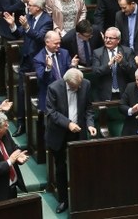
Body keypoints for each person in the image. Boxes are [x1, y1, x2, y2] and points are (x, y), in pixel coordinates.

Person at [44, 69, 94, 213]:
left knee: (80, 166)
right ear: (67, 82)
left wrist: (90, 124)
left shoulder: (86, 84)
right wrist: (68, 124)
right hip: (59, 132)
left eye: (79, 85)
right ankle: (63, 200)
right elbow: (51, 112)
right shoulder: (54, 88)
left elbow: (89, 107)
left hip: (78, 130)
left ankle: (80, 198)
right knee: (60, 168)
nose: (78, 88)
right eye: (74, 87)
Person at [5, 0, 52, 136]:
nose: (28, 6)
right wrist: (13, 25)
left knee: (37, 93)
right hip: (26, 60)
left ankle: (38, 126)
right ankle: (21, 124)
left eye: (30, 5)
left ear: (38, 7)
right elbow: (20, 34)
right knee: (21, 92)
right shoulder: (29, 16)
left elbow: (40, 38)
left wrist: (26, 27)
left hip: (39, 62)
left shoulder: (47, 20)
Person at [34, 31, 78, 112]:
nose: (59, 46)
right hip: (50, 96)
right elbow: (43, 80)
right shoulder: (39, 58)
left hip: (66, 93)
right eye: (56, 43)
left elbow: (68, 73)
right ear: (47, 42)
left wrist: (73, 66)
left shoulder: (64, 53)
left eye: (59, 43)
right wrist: (48, 68)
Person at [91, 27, 136, 101]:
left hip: (124, 92)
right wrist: (108, 65)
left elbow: (134, 72)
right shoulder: (97, 53)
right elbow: (95, 72)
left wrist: (123, 62)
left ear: (118, 40)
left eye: (111, 38)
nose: (107, 40)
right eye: (106, 37)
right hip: (105, 94)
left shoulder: (128, 52)